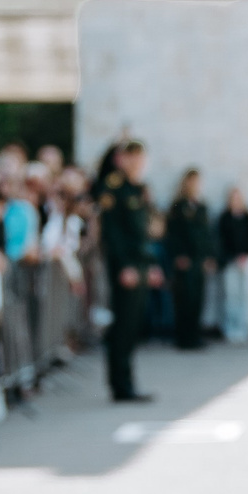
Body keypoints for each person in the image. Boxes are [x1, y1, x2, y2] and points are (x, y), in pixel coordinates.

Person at [95, 139, 159, 401]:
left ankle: (128, 382)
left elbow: (144, 233)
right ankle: (120, 386)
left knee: (133, 326)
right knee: (122, 326)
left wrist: (151, 264)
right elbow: (112, 234)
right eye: (131, 157)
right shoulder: (114, 189)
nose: (136, 163)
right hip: (125, 267)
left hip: (140, 264)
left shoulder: (139, 189)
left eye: (140, 158)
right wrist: (124, 266)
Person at [164, 168, 216, 351]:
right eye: (192, 182)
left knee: (198, 299)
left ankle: (195, 336)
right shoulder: (177, 206)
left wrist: (209, 256)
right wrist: (178, 255)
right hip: (184, 260)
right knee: (183, 299)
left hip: (199, 260)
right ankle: (183, 338)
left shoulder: (202, 207)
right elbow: (172, 234)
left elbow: (207, 235)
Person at [217, 186, 248, 345]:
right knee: (231, 296)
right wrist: (232, 257)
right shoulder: (225, 218)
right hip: (230, 262)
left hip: (245, 262)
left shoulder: (247, 217)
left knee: (244, 296)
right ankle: (231, 328)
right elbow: (221, 240)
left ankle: (243, 327)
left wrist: (246, 255)